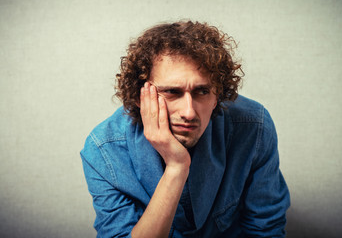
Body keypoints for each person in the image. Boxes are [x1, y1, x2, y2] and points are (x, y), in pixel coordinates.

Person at [80, 20, 290, 238]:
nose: (189, 112)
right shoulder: (104, 150)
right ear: (139, 96)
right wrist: (176, 167)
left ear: (218, 94)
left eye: (202, 91)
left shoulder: (253, 126)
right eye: (172, 91)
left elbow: (265, 230)